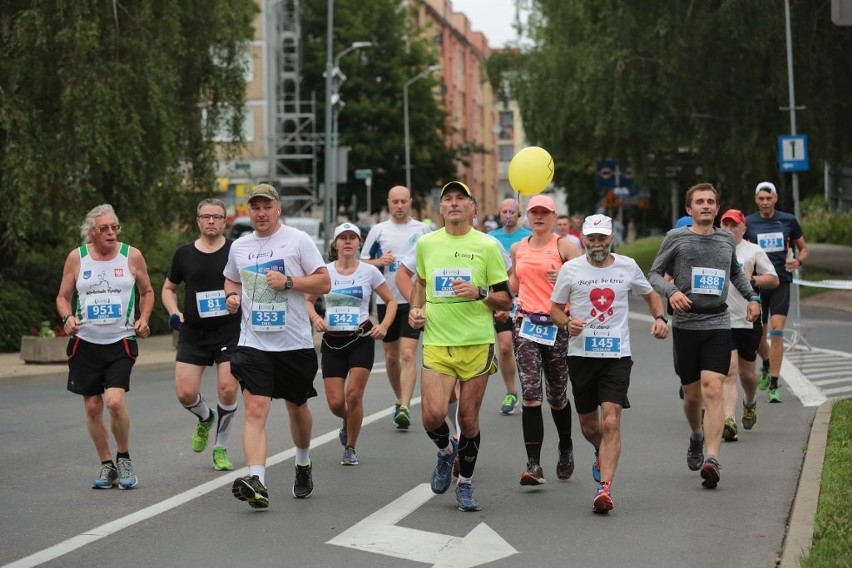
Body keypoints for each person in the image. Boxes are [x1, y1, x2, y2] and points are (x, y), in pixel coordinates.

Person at [551, 214, 668, 512]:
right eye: (592, 239)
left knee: (612, 420)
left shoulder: (627, 266)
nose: (597, 244)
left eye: (602, 238)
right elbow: (555, 309)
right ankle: (598, 449)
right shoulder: (571, 269)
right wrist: (567, 324)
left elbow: (650, 294)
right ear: (585, 239)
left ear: (611, 238)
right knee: (590, 426)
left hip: (616, 355)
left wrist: (659, 317)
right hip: (580, 355)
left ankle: (605, 489)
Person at [223, 184, 330, 509]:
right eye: (255, 207)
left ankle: (302, 462)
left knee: (297, 407)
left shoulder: (298, 240)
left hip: (294, 344)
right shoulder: (240, 247)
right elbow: (231, 278)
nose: (261, 213)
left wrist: (288, 282)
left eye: (266, 207)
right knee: (255, 409)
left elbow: (324, 282)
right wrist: (232, 296)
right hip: (253, 343)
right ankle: (257, 480)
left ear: (278, 209)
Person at [648, 183, 760, 490]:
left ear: (717, 207)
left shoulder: (726, 239)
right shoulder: (676, 238)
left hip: (718, 322)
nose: (706, 206)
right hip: (686, 326)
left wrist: (753, 298)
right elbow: (654, 274)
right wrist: (671, 292)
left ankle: (712, 459)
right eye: (700, 202)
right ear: (689, 209)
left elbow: (735, 273)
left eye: (711, 201)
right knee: (692, 396)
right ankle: (696, 436)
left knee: (714, 389)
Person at [409, 181, 512, 512]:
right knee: (431, 416)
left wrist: (479, 293)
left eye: (460, 199)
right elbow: (420, 283)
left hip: (477, 344)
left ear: (472, 208)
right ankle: (444, 451)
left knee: (468, 419)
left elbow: (506, 298)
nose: (453, 204)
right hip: (438, 342)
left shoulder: (487, 246)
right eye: (447, 199)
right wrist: (416, 309)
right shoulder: (426, 243)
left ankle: (465, 483)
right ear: (440, 209)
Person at [56, 204, 154, 489]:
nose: (111, 232)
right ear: (91, 232)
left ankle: (124, 457)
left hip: (120, 341)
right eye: (105, 228)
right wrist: (67, 317)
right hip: (85, 343)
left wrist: (144, 318)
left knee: (114, 401)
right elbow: (62, 297)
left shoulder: (131, 256)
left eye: (115, 227)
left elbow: (147, 292)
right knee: (92, 408)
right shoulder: (77, 258)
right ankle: (106, 465)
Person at [307, 222, 397, 465]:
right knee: (337, 403)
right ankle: (349, 420)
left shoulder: (369, 272)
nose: (347, 241)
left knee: (354, 396)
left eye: (352, 238)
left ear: (359, 243)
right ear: (335, 244)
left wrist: (384, 325)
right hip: (332, 341)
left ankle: (350, 447)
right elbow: (307, 300)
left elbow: (391, 301)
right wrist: (315, 317)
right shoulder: (324, 272)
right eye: (342, 238)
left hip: (361, 338)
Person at [161, 198, 241, 471]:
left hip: (229, 331)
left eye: (216, 217)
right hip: (194, 333)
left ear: (224, 221)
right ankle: (206, 417)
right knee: (185, 393)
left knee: (228, 388)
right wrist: (174, 312)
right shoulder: (184, 253)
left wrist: (236, 299)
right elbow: (168, 288)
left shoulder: (235, 251)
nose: (211, 221)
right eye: (205, 216)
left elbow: (248, 286)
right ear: (197, 220)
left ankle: (220, 447)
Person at [509, 195, 582, 486]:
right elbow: (514, 285)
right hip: (526, 324)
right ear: (527, 216)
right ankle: (534, 465)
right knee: (530, 393)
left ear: (553, 216)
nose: (539, 217)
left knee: (557, 395)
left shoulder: (564, 246)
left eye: (544, 212)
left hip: (557, 325)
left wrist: (563, 276)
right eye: (534, 212)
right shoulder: (518, 248)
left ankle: (565, 447)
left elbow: (585, 282)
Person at [361, 186, 431, 429]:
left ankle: (404, 405)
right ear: (389, 203)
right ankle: (399, 397)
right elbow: (361, 261)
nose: (399, 205)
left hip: (413, 301)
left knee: (408, 354)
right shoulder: (379, 230)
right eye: (395, 202)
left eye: (403, 201)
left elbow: (433, 257)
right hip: (386, 300)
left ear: (410, 202)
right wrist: (379, 262)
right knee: (391, 357)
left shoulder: (422, 229)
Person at [745, 181, 809, 403]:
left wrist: (798, 261)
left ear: (775, 199)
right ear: (756, 200)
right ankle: (765, 362)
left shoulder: (788, 220)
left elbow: (805, 247)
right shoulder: (748, 222)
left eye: (768, 198)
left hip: (781, 282)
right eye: (761, 198)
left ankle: (773, 383)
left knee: (778, 331)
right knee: (759, 338)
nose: (765, 202)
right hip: (759, 285)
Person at [719, 209, 779, 441]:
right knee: (729, 372)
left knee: (747, 374)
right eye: (725, 224)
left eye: (734, 225)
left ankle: (750, 402)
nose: (729, 229)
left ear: (743, 228)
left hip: (748, 320)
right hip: (722, 320)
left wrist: (752, 279)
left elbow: (773, 278)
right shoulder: (715, 249)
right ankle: (729, 421)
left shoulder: (753, 250)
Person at [489, 198, 532, 414]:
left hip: (527, 301)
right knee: (505, 347)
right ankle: (511, 392)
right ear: (498, 213)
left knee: (526, 350)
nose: (508, 214)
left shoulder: (528, 238)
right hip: (501, 301)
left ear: (519, 214)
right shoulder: (489, 239)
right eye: (504, 211)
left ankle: (530, 392)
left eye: (511, 211)